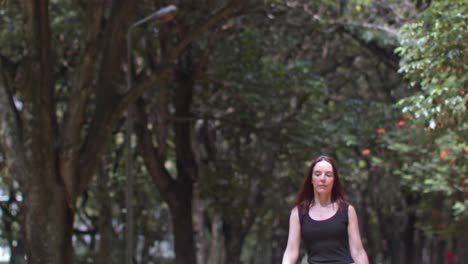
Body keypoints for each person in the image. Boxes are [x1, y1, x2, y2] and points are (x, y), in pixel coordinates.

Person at [282, 155, 369, 264]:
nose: (322, 179)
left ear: (334, 181)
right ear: (311, 179)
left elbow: (358, 252)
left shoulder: (347, 210)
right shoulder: (298, 213)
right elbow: (291, 252)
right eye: (317, 174)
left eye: (328, 175)